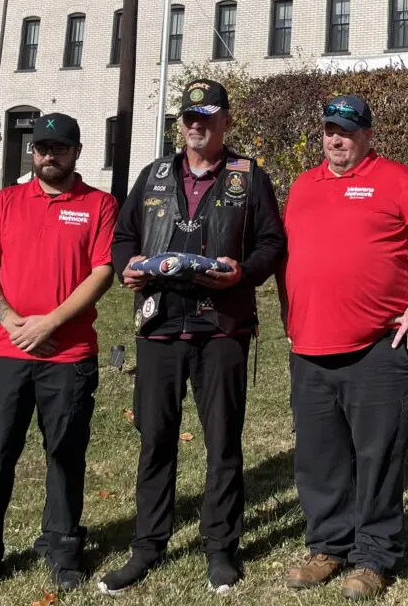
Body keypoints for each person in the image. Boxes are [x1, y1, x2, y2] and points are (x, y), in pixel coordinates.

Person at [99, 79, 286, 596]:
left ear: (226, 121)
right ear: (179, 123)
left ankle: (221, 547)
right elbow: (124, 237)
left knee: (223, 441)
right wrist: (126, 267)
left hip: (222, 326)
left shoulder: (249, 177)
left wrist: (243, 272)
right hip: (160, 326)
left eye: (207, 116)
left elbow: (274, 243)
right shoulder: (154, 174)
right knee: (155, 439)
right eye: (189, 117)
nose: (196, 125)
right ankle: (148, 545)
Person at [0, 114, 117, 601]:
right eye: (41, 148)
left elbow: (102, 273)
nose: (48, 156)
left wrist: (50, 321)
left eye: (59, 148)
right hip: (3, 352)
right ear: (31, 152)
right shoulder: (4, 202)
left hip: (68, 353)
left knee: (64, 453)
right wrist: (14, 321)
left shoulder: (99, 205)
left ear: (76, 151)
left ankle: (61, 544)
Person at [281, 95, 408, 601]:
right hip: (310, 347)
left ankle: (374, 555)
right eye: (330, 130)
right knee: (319, 456)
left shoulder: (396, 179)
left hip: (379, 347)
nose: (337, 140)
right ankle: (327, 547)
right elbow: (291, 254)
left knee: (378, 455)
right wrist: (288, 310)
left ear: (368, 136)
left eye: (348, 131)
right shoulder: (302, 186)